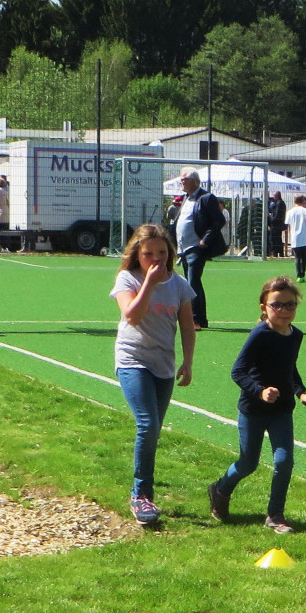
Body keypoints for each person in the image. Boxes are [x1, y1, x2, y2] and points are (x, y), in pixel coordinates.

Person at [208, 277, 306, 533]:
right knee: (248, 463)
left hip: (281, 411)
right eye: (276, 305)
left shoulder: (295, 335)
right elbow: (238, 371)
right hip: (253, 410)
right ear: (263, 307)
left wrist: (301, 393)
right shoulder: (260, 334)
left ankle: (275, 515)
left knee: (284, 461)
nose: (284, 310)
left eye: (290, 305)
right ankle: (220, 489)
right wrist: (260, 391)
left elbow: (289, 369)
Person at [111, 223, 196, 526]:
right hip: (133, 359)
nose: (156, 259)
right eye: (149, 254)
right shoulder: (128, 278)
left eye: (162, 253)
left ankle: (145, 487)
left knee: (154, 429)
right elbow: (132, 316)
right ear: (137, 254)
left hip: (164, 364)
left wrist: (188, 362)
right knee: (147, 424)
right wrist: (148, 282)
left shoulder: (179, 285)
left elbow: (187, 325)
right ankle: (141, 494)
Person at [173, 171, 228, 330]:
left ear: (194, 181)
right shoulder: (186, 198)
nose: (182, 182)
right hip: (184, 248)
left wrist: (205, 240)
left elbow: (219, 220)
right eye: (181, 179)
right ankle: (201, 319)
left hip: (196, 247)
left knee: (192, 282)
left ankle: (195, 320)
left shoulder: (206, 198)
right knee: (193, 282)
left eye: (185, 179)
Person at [284, 193, 306, 280]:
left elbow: (287, 225)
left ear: (294, 201)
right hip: (304, 236)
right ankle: (302, 275)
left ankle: (298, 275)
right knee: (303, 256)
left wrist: (289, 235)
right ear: (303, 201)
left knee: (297, 256)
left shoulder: (289, 212)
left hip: (294, 236)